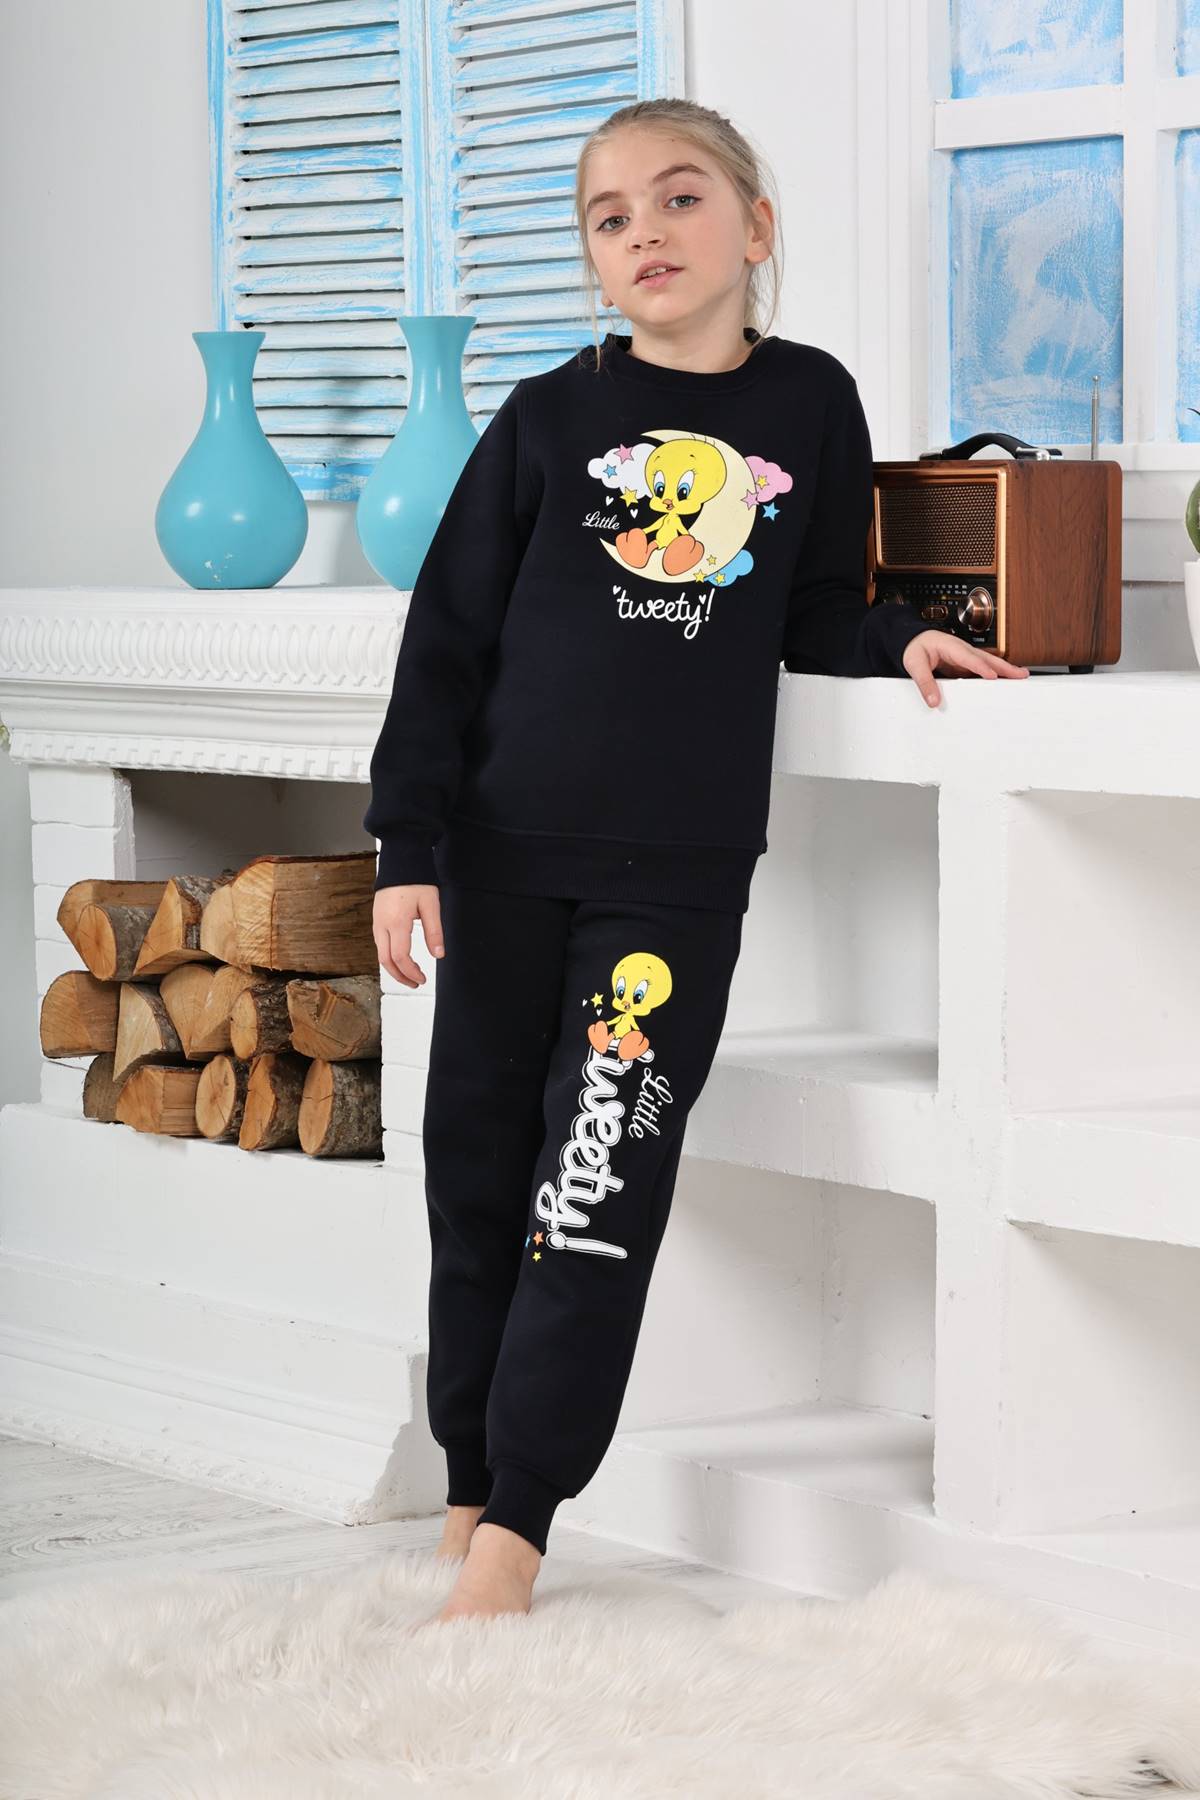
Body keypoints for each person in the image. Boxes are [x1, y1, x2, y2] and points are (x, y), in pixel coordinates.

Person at [363, 97, 1029, 1625]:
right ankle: (467, 1487)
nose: (644, 233)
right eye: (609, 217)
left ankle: (519, 1529)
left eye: (678, 199)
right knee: (478, 1179)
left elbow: (812, 607)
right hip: (497, 861)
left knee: (597, 1181)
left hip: (673, 877)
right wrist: (407, 843)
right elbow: (445, 641)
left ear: (755, 226)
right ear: (594, 260)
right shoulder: (546, 416)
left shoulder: (810, 402)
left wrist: (901, 637)